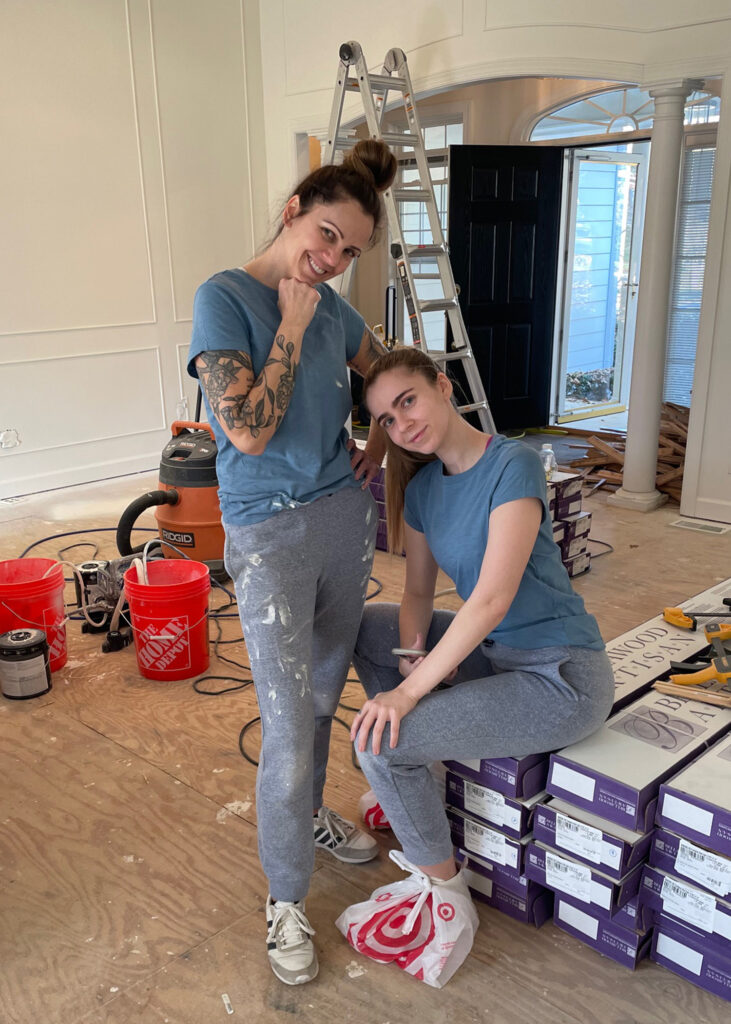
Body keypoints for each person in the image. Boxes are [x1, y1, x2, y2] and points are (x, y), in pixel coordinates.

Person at [187, 139, 397, 986]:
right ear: (291, 210)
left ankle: (309, 816)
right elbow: (244, 429)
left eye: (348, 250)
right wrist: (296, 323)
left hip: (342, 520)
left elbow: (387, 372)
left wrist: (379, 441)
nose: (332, 259)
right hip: (268, 536)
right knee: (283, 728)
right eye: (324, 235)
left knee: (321, 695)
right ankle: (284, 898)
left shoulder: (337, 307)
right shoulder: (226, 296)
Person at [346, 346, 615, 979]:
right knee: (367, 627)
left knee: (380, 745)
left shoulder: (512, 464)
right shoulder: (423, 489)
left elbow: (491, 600)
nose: (401, 424)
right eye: (386, 418)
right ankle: (418, 776)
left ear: (442, 386)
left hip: (560, 675)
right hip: (496, 658)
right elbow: (415, 593)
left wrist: (408, 698)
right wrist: (412, 660)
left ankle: (444, 891)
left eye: (407, 400)